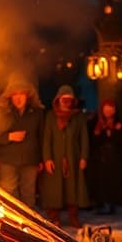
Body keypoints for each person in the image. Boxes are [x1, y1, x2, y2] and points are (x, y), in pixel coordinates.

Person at [0, 77, 44, 208]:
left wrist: (42, 159)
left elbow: (42, 137)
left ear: (27, 96)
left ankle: (30, 223)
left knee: (28, 193)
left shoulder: (36, 113)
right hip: (8, 159)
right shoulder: (2, 113)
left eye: (21, 94)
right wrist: (9, 137)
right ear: (10, 97)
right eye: (15, 95)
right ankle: (10, 222)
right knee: (8, 191)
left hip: (30, 159)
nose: (18, 98)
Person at [40, 85, 89, 227]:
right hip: (55, 157)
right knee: (54, 188)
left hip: (73, 158)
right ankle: (54, 217)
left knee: (73, 188)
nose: (66, 102)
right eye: (64, 99)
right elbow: (47, 139)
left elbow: (84, 138)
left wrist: (84, 157)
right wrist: (47, 158)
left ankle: (73, 216)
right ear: (58, 100)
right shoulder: (51, 116)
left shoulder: (78, 117)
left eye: (69, 99)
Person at [87, 99, 122, 215]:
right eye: (106, 109)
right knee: (99, 182)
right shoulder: (95, 122)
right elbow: (91, 140)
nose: (109, 112)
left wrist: (115, 132)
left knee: (112, 182)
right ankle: (99, 203)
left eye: (111, 109)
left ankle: (112, 204)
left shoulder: (119, 123)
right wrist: (100, 134)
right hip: (99, 157)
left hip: (113, 157)